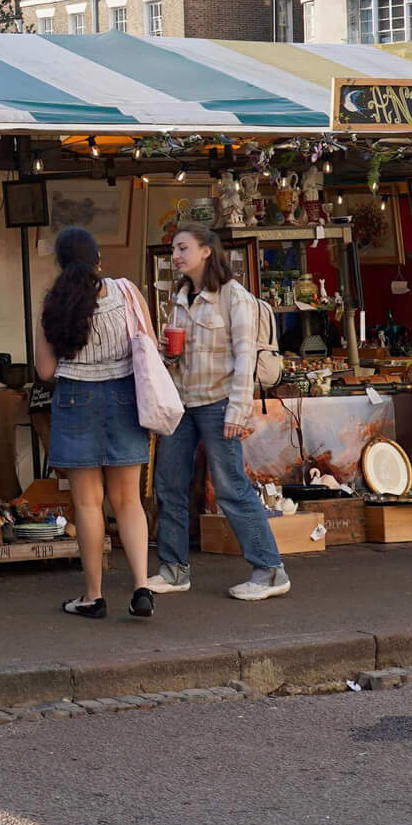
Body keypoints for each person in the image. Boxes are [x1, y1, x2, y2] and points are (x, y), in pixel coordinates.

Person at [150, 222, 289, 602]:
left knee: (230, 487)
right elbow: (175, 358)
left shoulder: (234, 297)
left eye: (182, 249)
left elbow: (246, 358)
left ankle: (270, 570)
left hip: (219, 403)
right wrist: (169, 353)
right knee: (169, 483)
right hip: (182, 403)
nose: (176, 256)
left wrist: (238, 411)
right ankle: (173, 569)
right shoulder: (180, 296)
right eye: (174, 251)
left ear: (206, 250)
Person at [32, 225, 156, 619]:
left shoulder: (54, 303)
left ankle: (93, 595)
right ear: (99, 259)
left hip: (75, 400)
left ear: (61, 265)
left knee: (88, 503)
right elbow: (148, 343)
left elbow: (45, 371)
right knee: (128, 501)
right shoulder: (127, 291)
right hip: (124, 398)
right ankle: (141, 588)